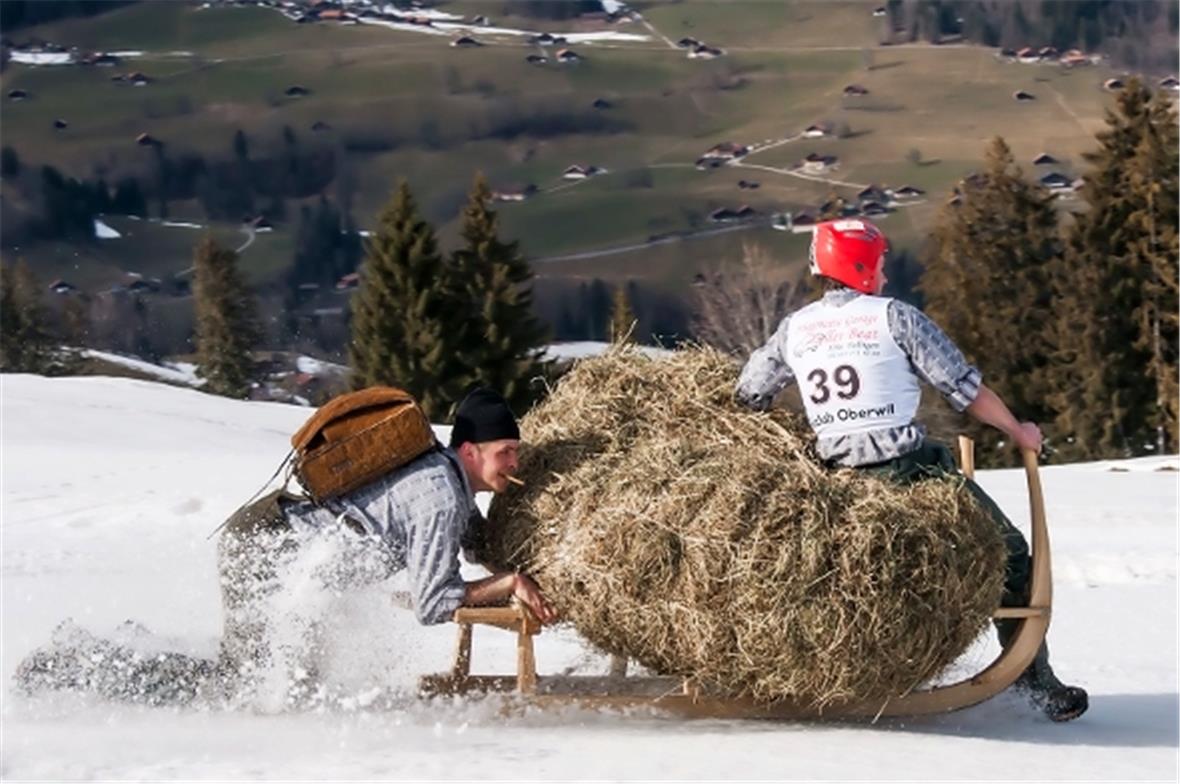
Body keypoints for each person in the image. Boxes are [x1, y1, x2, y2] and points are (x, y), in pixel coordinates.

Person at [734, 218, 1088, 722]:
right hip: (907, 473)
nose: (883, 273)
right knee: (1010, 553)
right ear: (859, 268)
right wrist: (1018, 430)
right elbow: (965, 390)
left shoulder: (795, 328)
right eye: (878, 264)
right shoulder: (894, 318)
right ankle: (1036, 683)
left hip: (830, 483)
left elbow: (749, 394)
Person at [217, 387, 557, 696]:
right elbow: (434, 603)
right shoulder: (441, 495)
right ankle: (167, 690)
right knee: (242, 682)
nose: (514, 462)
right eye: (505, 452)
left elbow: (479, 546)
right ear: (470, 452)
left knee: (293, 684)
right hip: (264, 543)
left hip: (278, 540)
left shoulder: (447, 479)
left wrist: (536, 581)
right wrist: (510, 582)